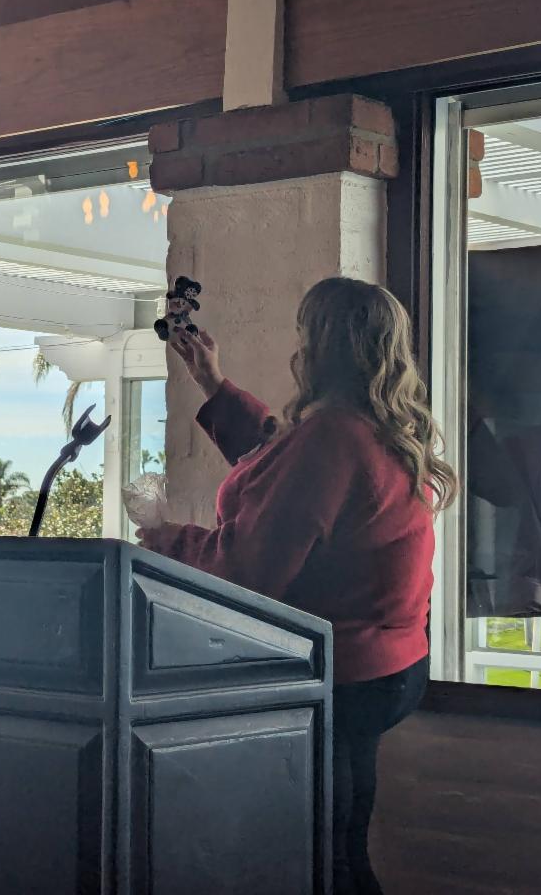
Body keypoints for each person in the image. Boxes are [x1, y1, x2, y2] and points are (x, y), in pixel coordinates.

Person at [137, 277, 457, 895]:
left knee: (318, 857)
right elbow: (281, 461)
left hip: (339, 674)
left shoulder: (332, 435)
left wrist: (167, 540)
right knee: (347, 843)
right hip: (391, 666)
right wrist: (214, 385)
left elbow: (247, 568)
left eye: (305, 333)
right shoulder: (383, 425)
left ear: (323, 346)